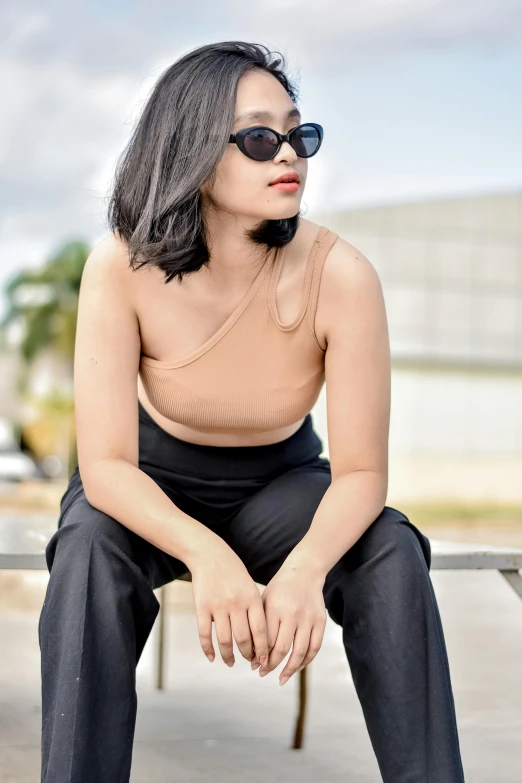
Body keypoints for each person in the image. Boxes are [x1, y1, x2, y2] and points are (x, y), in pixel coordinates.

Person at [38, 41, 465, 782]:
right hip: (148, 477)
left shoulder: (344, 275)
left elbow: (362, 472)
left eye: (298, 134)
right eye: (260, 137)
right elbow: (105, 467)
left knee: (390, 548)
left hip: (282, 481)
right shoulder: (121, 265)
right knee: (86, 554)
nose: (288, 154)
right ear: (197, 152)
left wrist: (302, 571)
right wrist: (207, 555)